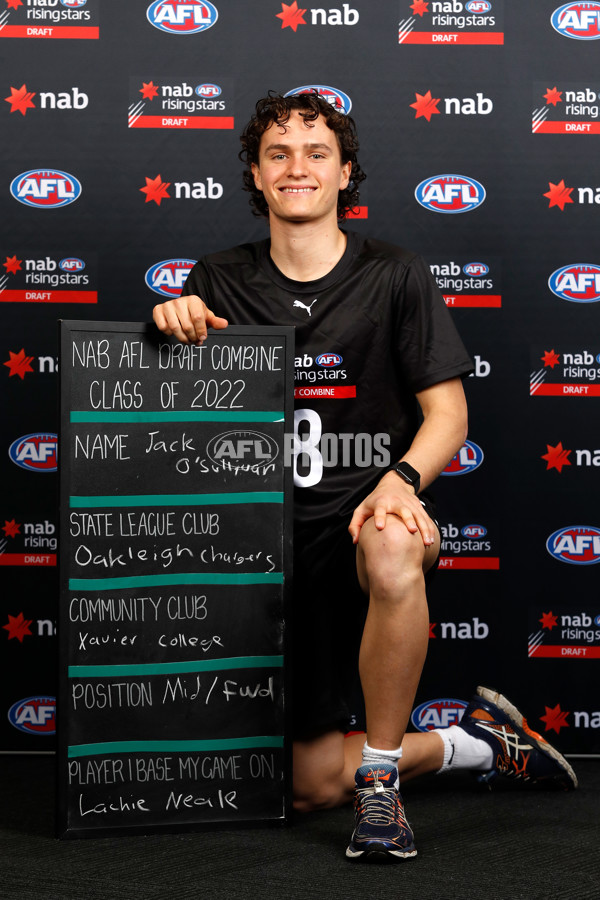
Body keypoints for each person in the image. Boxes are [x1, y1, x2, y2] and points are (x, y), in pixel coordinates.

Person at [152, 92, 576, 862]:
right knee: (310, 783)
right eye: (277, 153)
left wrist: (401, 479)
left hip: (358, 522)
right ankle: (472, 746)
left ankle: (381, 789)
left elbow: (448, 414)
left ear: (345, 173)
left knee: (390, 539)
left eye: (317, 153)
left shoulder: (396, 274)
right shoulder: (214, 277)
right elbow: (182, 413)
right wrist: (171, 323)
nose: (297, 167)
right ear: (255, 172)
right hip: (262, 544)